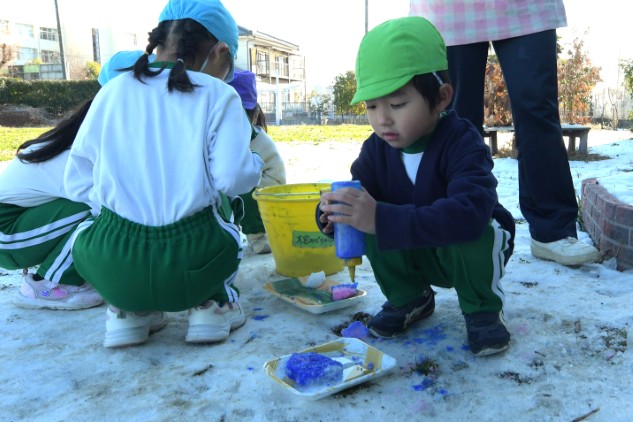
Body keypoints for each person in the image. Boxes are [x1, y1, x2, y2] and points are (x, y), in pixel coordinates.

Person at [64, 0, 263, 348]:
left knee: (94, 226)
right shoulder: (220, 95)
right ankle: (213, 308)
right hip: (193, 263)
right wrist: (255, 165)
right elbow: (232, 179)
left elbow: (76, 182)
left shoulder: (112, 91)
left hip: (112, 263)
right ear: (220, 51)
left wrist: (122, 211)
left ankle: (128, 312)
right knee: (225, 207)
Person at [318, 17, 516, 356]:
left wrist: (379, 218)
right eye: (371, 106)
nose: (383, 118)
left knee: (473, 228)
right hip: (415, 249)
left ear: (441, 98)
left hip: (468, 253)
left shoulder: (462, 142)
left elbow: (469, 213)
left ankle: (482, 308)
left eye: (397, 104)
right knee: (368, 213)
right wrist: (333, 214)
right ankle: (410, 297)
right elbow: (361, 199)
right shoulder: (375, 150)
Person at [410, 0, 600, 266]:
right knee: (454, 118)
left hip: (526, 7)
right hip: (450, 8)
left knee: (538, 108)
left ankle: (553, 231)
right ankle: (453, 225)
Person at [228, 69, 286, 254]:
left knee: (243, 190)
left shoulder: (253, 137)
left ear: (253, 116)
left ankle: (258, 236)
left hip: (267, 188)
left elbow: (243, 172)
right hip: (243, 183)